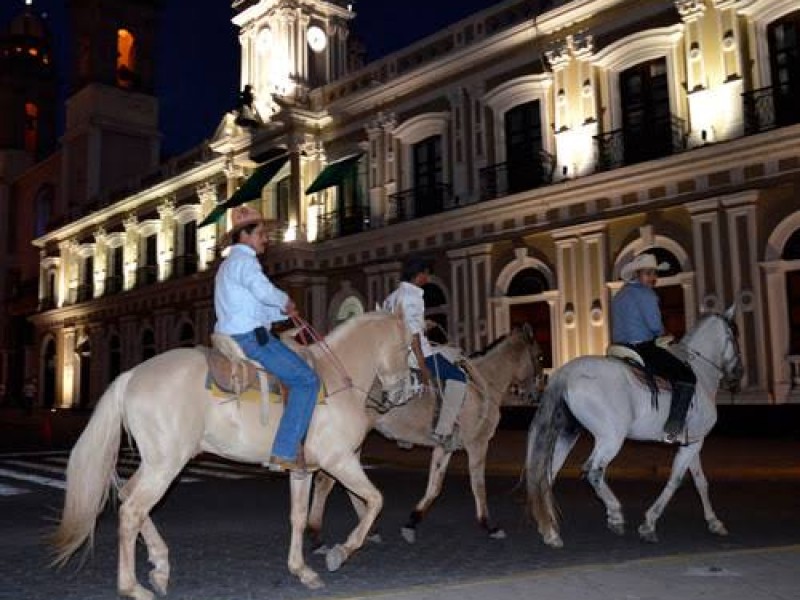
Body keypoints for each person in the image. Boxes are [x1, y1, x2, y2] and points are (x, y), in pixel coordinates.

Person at [214, 205, 320, 471]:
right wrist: (285, 301)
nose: (266, 239)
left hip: (233, 333)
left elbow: (254, 305)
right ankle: (284, 451)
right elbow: (262, 290)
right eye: (261, 233)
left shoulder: (229, 265)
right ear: (245, 236)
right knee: (307, 380)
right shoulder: (246, 261)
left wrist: (282, 311)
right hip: (251, 338)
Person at [611, 252, 696, 443]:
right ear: (637, 274)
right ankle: (673, 427)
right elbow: (655, 326)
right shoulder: (647, 294)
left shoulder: (620, 294)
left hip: (618, 348)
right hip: (642, 348)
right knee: (687, 376)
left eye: (654, 274)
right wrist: (666, 334)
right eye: (648, 273)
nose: (653, 278)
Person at [384, 257, 467, 450]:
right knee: (459, 377)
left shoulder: (392, 297)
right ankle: (444, 431)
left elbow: (402, 326)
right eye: (427, 274)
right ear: (419, 274)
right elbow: (413, 336)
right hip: (415, 354)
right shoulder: (413, 297)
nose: (428, 278)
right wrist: (423, 367)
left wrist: (423, 325)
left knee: (446, 354)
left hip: (394, 353)